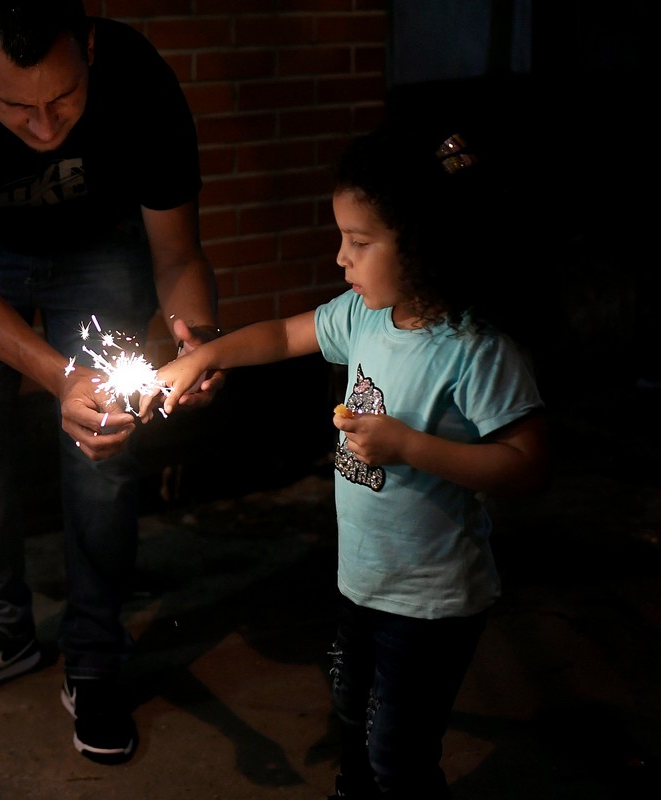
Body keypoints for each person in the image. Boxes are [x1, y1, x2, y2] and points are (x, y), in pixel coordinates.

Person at [141, 124, 549, 798]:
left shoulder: (475, 350)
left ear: (421, 242)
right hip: (361, 585)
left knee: (400, 754)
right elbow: (282, 334)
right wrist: (204, 356)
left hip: (433, 603)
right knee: (354, 722)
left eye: (359, 243)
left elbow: (528, 466)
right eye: (341, 238)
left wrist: (410, 447)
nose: (341, 258)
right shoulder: (363, 316)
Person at [0, 0, 222, 765]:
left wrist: (196, 339)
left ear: (92, 48)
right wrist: (62, 375)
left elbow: (177, 257)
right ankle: (2, 635)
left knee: (103, 459)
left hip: (102, 251)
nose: (45, 128)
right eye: (15, 105)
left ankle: (96, 655)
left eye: (63, 98)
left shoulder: (141, 80)